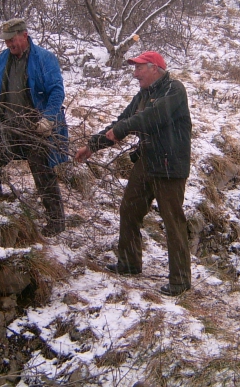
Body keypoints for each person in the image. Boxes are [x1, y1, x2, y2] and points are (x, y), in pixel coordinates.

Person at [74, 51, 192, 296]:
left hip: (170, 166)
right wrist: (92, 146)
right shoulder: (143, 95)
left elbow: (152, 117)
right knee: (129, 208)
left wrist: (122, 128)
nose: (135, 73)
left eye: (139, 68)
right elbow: (123, 121)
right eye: (134, 68)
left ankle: (180, 280)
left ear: (155, 68)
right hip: (147, 162)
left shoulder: (174, 89)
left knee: (173, 222)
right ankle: (129, 263)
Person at [0, 18, 68, 236]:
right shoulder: (4, 57)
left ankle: (56, 220)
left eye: (12, 39)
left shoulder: (45, 59)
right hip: (8, 124)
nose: (9, 44)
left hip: (36, 127)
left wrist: (48, 119)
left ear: (24, 35)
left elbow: (56, 91)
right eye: (6, 41)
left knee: (42, 170)